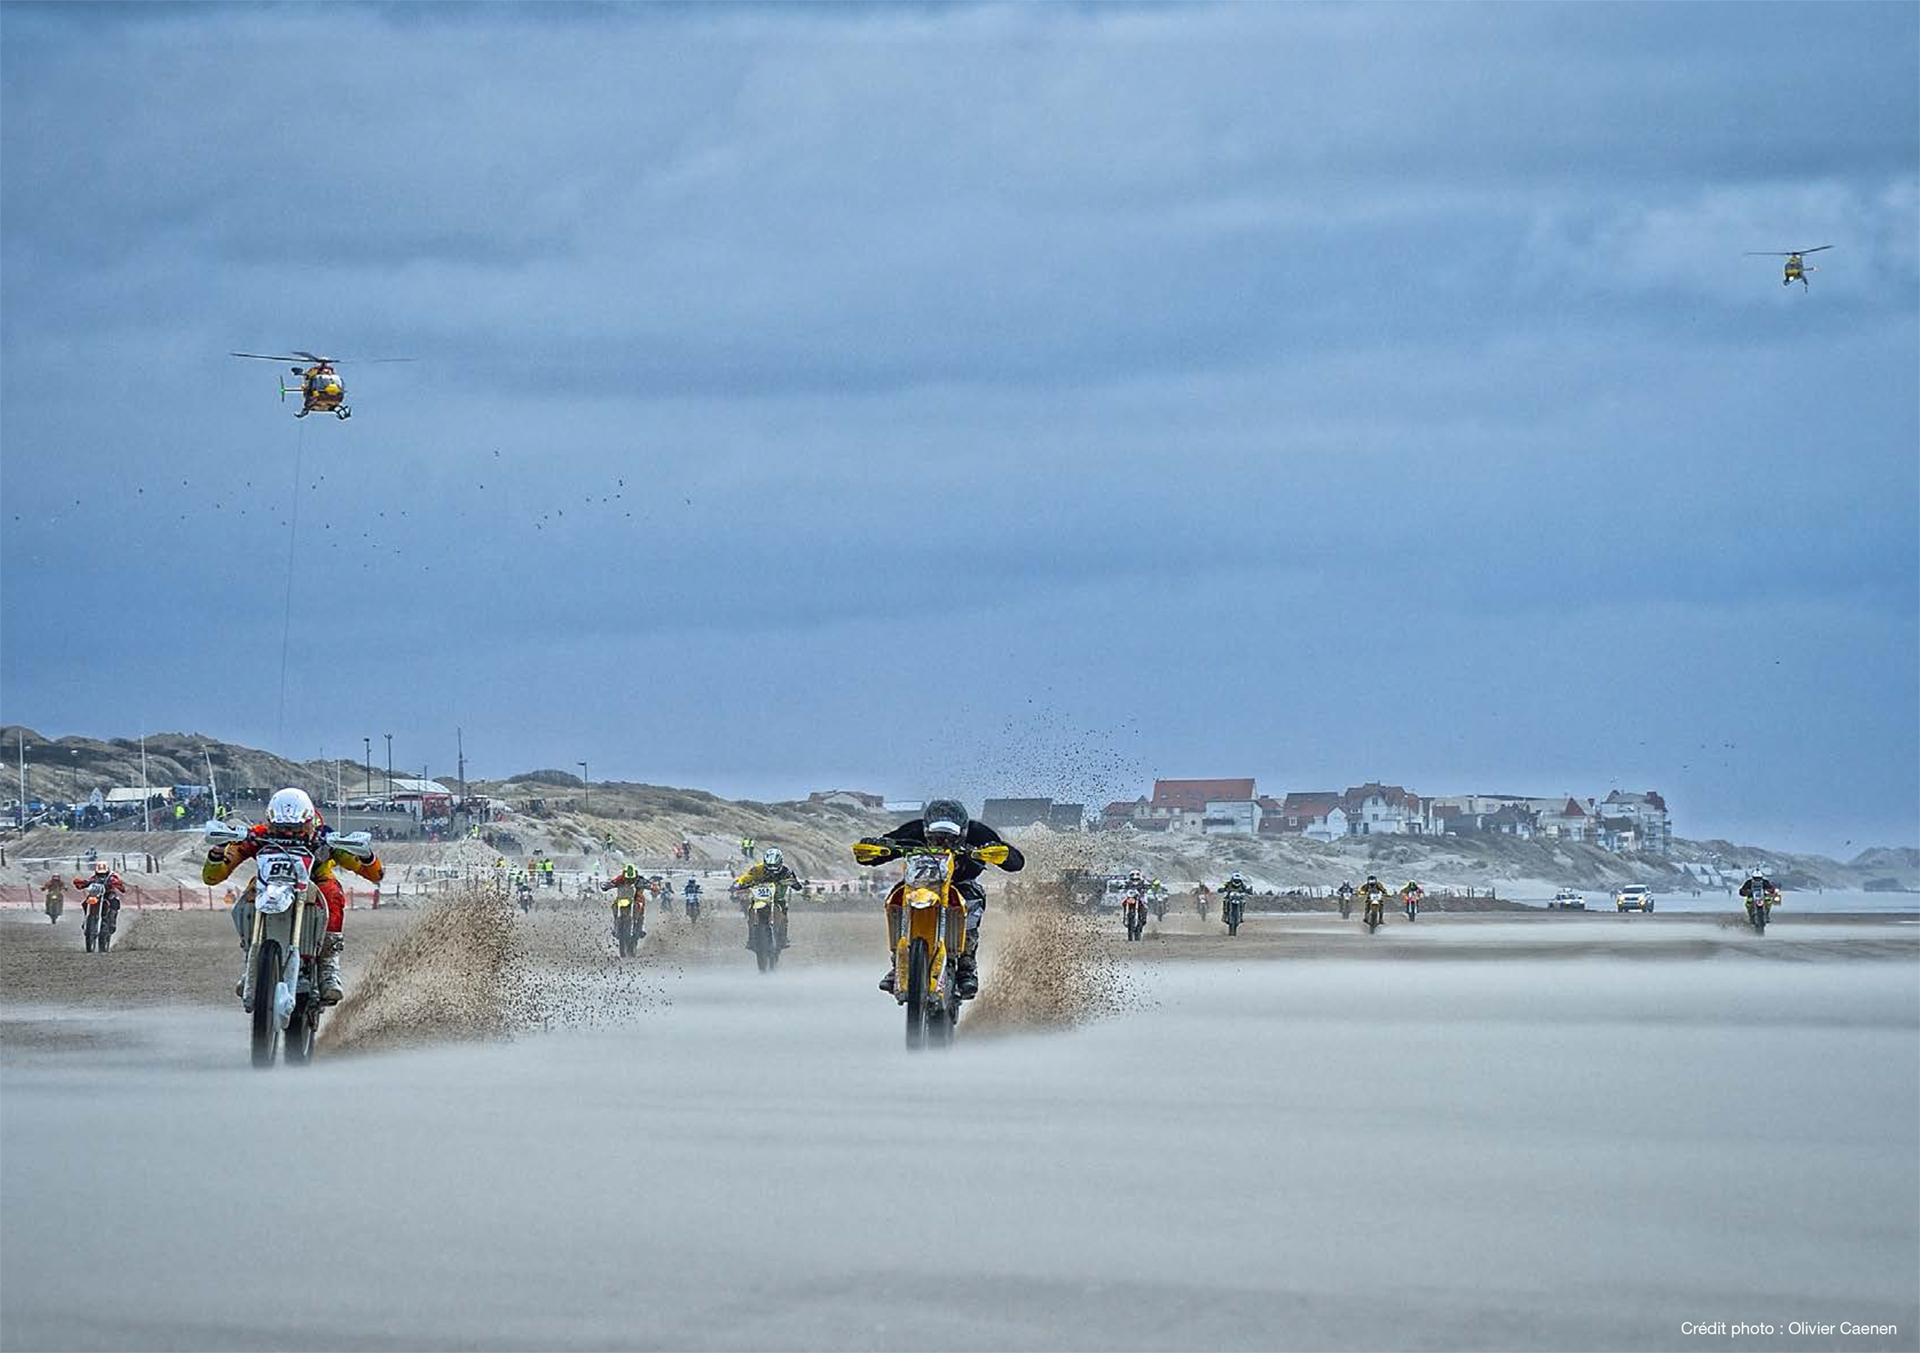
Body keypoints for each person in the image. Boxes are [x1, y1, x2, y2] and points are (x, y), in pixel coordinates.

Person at [203, 787, 384, 1004]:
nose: (288, 833)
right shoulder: (258, 835)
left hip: (314, 881)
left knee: (331, 891)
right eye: (281, 829)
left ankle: (328, 965)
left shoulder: (324, 837)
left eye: (295, 829)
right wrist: (218, 850)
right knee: (251, 890)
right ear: (270, 821)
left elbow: (375, 874)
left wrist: (366, 856)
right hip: (270, 883)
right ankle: (251, 959)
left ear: (309, 821)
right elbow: (212, 877)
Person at [855, 799, 1023, 1000]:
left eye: (948, 837)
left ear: (961, 831)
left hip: (961, 883)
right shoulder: (914, 830)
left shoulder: (978, 832)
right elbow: (883, 848)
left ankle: (967, 964)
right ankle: (898, 962)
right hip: (919, 883)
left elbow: (1016, 862)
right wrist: (876, 847)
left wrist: (1000, 853)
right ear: (926, 829)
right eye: (936, 837)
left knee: (973, 898)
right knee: (896, 896)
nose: (942, 841)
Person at [733, 848, 803, 950]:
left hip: (778, 898)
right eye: (769, 866)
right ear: (765, 863)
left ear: (780, 862)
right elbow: (747, 876)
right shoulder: (757, 869)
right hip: (760, 898)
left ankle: (783, 938)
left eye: (775, 866)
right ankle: (751, 938)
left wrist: (794, 883)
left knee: (784, 914)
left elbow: (795, 883)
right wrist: (739, 883)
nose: (772, 869)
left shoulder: (786, 871)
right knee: (751, 910)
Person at [72, 860, 126, 948]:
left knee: (114, 902)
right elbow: (87, 882)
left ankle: (112, 922)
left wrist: (117, 884)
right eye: (99, 874)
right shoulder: (94, 878)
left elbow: (119, 885)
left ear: (107, 871)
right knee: (85, 902)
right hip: (96, 895)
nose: (101, 876)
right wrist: (81, 883)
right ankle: (87, 918)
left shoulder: (112, 877)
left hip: (107, 894)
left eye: (103, 874)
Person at [599, 864, 650, 937]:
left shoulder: (640, 879)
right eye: (627, 879)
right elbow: (612, 883)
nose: (629, 881)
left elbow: (650, 884)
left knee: (641, 904)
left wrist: (653, 886)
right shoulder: (620, 879)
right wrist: (607, 886)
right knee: (614, 905)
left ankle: (641, 928)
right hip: (622, 897)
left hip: (636, 898)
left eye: (631, 879)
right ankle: (616, 926)